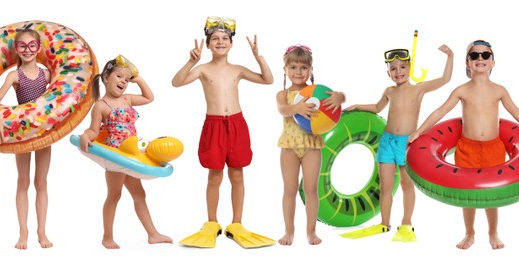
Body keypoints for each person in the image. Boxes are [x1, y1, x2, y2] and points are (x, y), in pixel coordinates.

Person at [409, 40, 519, 250]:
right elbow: (440, 111)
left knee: (491, 195)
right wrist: (418, 131)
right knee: (468, 194)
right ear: (467, 63)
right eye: (474, 56)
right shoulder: (462, 90)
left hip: (494, 147)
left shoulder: (499, 91)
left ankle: (493, 233)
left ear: (493, 62)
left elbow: (518, 113)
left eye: (485, 55)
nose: (480, 59)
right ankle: (469, 233)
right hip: (467, 148)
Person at [172, 16, 275, 249]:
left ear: (231, 44)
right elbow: (176, 82)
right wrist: (190, 62)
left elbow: (268, 80)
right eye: (215, 39)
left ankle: (237, 223)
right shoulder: (202, 69)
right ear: (208, 45)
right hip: (214, 126)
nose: (220, 42)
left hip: (237, 125)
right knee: (214, 176)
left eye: (225, 38)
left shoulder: (237, 70)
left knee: (237, 174)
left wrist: (259, 57)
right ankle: (212, 223)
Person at [340, 44, 454, 242]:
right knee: (385, 186)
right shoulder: (389, 91)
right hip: (387, 141)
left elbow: (446, 79)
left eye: (402, 67)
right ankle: (384, 223)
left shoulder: (419, 88)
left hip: (407, 142)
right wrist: (358, 105)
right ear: (388, 73)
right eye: (393, 69)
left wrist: (450, 56)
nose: (398, 72)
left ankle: (406, 223)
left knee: (406, 184)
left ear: (410, 68)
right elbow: (377, 107)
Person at [78, 55, 172, 249]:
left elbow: (149, 97)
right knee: (114, 195)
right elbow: (94, 131)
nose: (123, 81)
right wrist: (85, 136)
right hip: (116, 157)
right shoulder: (101, 106)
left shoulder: (128, 99)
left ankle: (153, 234)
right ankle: (107, 237)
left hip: (131, 156)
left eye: (127, 79)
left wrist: (138, 79)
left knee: (140, 195)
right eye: (119, 76)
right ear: (106, 78)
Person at [276, 44, 345, 246]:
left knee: (311, 188)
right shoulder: (283, 94)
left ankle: (311, 231)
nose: (299, 72)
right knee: (289, 189)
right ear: (285, 70)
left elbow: (339, 99)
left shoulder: (319, 92)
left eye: (304, 67)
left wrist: (340, 97)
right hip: (289, 145)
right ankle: (289, 231)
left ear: (311, 70)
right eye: (294, 67)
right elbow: (283, 110)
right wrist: (297, 107)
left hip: (311, 144)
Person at [0, 29, 54, 250]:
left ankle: (42, 231)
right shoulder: (14, 76)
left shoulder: (46, 74)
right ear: (16, 50)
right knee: (23, 181)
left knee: (41, 182)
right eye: (22, 46)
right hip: (22, 133)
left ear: (38, 48)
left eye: (32, 46)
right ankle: (23, 232)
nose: (27, 51)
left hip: (44, 132)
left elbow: (63, 92)